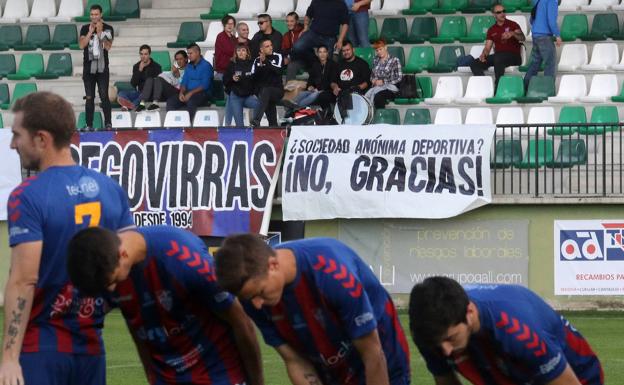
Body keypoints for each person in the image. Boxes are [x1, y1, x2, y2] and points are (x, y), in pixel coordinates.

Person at [0, 91, 134, 385]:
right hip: (91, 346)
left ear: (42, 139)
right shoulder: (111, 190)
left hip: (42, 347)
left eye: (17, 135)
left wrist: (8, 358)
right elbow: (126, 269)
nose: (12, 144)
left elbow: (24, 280)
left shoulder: (28, 195)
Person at [66, 225, 264, 385]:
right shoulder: (106, 263)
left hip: (218, 374)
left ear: (123, 255)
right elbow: (137, 325)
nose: (111, 291)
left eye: (112, 282)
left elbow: (241, 322)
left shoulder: (183, 257)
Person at [214, 234, 411, 385]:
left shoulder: (332, 274)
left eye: (260, 292)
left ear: (273, 265)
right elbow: (295, 360)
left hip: (381, 356)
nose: (257, 305)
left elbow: (373, 353)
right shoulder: (252, 298)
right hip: (330, 364)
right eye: (249, 299)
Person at [409, 277, 604, 385]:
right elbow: (446, 381)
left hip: (577, 376)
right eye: (438, 343)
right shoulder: (429, 332)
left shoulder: (518, 330)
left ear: (469, 313)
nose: (446, 351)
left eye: (451, 339)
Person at [470, 4, 524, 89]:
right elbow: (487, 48)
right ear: (494, 14)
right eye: (499, 12)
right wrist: (483, 55)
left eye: (504, 11)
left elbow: (522, 38)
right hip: (499, 56)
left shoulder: (513, 24)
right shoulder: (492, 29)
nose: (502, 14)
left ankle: (498, 88)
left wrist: (513, 33)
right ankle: (485, 86)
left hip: (514, 56)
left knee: (498, 58)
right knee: (475, 63)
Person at [79, 4, 114, 130]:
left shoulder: (108, 29)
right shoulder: (84, 28)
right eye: (92, 14)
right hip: (88, 68)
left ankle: (108, 123)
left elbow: (108, 46)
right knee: (89, 97)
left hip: (102, 67)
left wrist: (100, 33)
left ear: (101, 15)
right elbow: (82, 45)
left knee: (104, 95)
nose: (94, 17)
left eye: (96, 14)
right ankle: (89, 125)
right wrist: (90, 32)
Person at [315, 40, 370, 111]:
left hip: (355, 92)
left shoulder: (362, 64)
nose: (346, 52)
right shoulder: (338, 64)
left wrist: (357, 88)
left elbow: (367, 82)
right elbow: (332, 81)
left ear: (353, 49)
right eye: (343, 51)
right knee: (323, 96)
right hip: (340, 92)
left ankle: (346, 118)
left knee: (347, 97)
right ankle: (328, 116)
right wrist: (335, 87)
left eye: (348, 50)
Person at [292, 0, 349, 65]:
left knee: (326, 64)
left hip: (329, 38)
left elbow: (345, 23)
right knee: (297, 48)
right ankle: (314, 59)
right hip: (313, 34)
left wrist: (340, 40)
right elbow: (308, 15)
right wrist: (305, 27)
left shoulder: (341, 3)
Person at [166, 43, 213, 120]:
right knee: (171, 101)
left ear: (197, 53)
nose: (189, 56)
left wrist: (190, 93)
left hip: (203, 94)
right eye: (188, 53)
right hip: (188, 92)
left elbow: (205, 85)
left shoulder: (206, 66)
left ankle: (188, 126)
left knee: (191, 101)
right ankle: (172, 125)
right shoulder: (188, 66)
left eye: (191, 53)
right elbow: (184, 82)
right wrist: (181, 93)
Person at [524, 0, 561, 89]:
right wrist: (557, 35)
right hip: (544, 37)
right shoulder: (552, 1)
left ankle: (525, 87)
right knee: (550, 63)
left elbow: (532, 19)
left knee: (534, 64)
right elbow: (551, 20)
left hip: (536, 35)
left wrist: (538, 27)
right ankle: (548, 89)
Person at [117, 44, 162, 111]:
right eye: (141, 54)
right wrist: (140, 70)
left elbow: (157, 84)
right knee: (121, 93)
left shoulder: (156, 67)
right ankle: (130, 105)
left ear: (149, 54)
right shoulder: (136, 66)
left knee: (143, 95)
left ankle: (129, 106)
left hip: (150, 94)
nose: (143, 56)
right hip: (139, 92)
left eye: (145, 54)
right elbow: (133, 84)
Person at [250, 38, 284, 127]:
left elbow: (278, 71)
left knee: (266, 91)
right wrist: (260, 67)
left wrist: (266, 62)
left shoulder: (278, 56)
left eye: (271, 45)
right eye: (267, 46)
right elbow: (253, 78)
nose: (271, 48)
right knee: (272, 121)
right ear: (262, 49)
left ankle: (257, 120)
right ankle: (274, 131)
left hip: (277, 91)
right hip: (264, 94)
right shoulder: (257, 60)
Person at [224, 44, 259, 126]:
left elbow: (257, 80)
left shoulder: (252, 64)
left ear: (247, 52)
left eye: (243, 50)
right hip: (236, 97)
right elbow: (224, 80)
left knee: (260, 105)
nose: (241, 52)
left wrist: (256, 93)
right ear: (235, 53)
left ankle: (254, 123)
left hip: (248, 96)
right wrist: (232, 78)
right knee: (239, 125)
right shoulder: (232, 64)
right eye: (238, 50)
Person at [365, 39, 402, 109]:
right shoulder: (375, 60)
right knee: (366, 95)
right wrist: (373, 80)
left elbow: (399, 77)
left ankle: (380, 116)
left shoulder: (394, 60)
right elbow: (372, 75)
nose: (379, 52)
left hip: (391, 88)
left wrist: (383, 82)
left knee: (378, 97)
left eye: (380, 49)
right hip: (377, 87)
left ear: (385, 47)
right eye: (377, 50)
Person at [282, 12, 305, 80]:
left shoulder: (303, 33)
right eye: (287, 21)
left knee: (291, 66)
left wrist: (290, 58)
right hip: (291, 58)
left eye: (292, 21)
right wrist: (284, 57)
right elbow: (283, 49)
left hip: (304, 59)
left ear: (297, 21)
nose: (289, 23)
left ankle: (289, 89)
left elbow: (303, 51)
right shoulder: (286, 35)